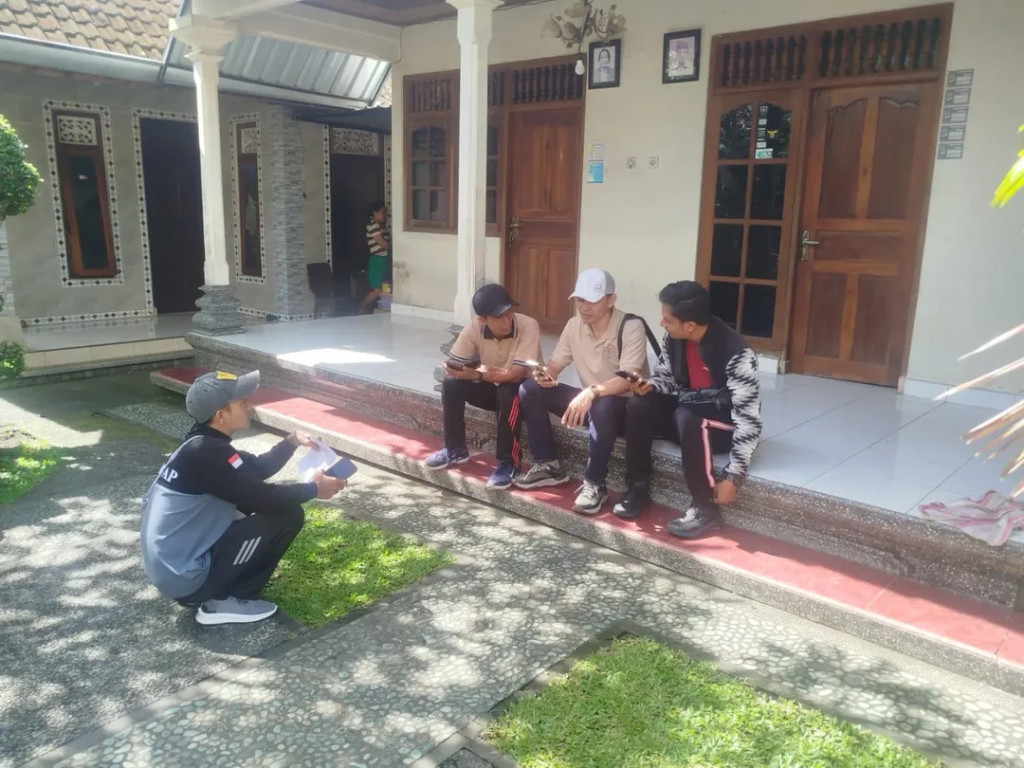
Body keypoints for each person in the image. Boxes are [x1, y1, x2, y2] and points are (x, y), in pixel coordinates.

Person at [140, 371, 347, 626]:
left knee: (263, 507)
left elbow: (257, 469)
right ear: (221, 415)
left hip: (176, 571)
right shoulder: (206, 454)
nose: (250, 406)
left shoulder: (202, 443)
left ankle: (223, 587)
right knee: (287, 515)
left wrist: (292, 440)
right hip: (186, 579)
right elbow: (265, 499)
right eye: (242, 402)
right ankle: (228, 599)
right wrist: (313, 489)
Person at [614, 281, 762, 539]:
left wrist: (733, 477)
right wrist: (650, 385)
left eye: (668, 320)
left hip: (721, 426)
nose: (662, 323)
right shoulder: (674, 338)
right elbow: (667, 378)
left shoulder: (736, 353)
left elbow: (749, 419)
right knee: (639, 404)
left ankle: (705, 508)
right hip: (688, 413)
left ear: (690, 325)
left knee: (689, 417)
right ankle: (637, 488)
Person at [514, 268, 651, 515]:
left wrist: (591, 392)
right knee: (529, 388)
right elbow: (555, 365)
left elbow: (628, 380)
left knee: (603, 404)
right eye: (580, 300)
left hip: (625, 412)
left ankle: (595, 484)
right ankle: (547, 464)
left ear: (611, 300)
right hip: (591, 402)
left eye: (592, 301)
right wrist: (544, 375)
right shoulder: (573, 325)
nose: (584, 307)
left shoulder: (631, 326)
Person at [424, 284, 542, 489]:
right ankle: (455, 449)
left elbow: (516, 375)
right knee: (452, 383)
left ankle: (509, 463)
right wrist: (456, 369)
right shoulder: (474, 328)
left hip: (525, 395)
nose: (507, 320)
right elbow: (455, 362)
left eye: (509, 312)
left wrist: (477, 374)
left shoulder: (528, 325)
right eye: (499, 316)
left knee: (507, 389)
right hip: (495, 387)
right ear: (482, 319)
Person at [363, 201, 390, 312]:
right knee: (378, 290)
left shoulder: (382, 227)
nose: (384, 215)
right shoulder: (373, 225)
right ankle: (362, 307)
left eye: (385, 213)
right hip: (378, 260)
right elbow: (382, 243)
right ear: (375, 212)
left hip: (385, 260)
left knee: (385, 288)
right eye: (382, 212)